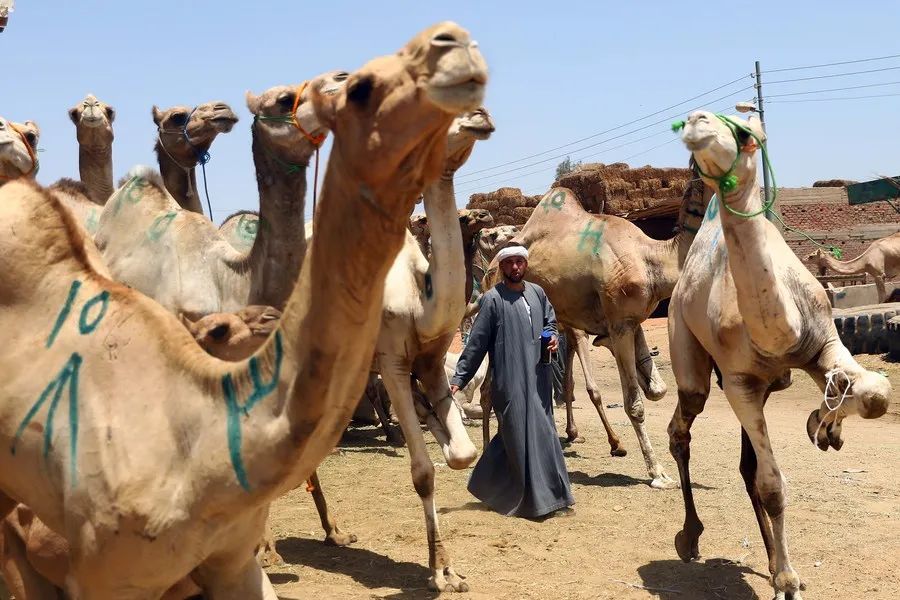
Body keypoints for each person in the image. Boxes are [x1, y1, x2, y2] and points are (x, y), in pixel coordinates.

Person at [450, 244, 574, 519]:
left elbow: (550, 324)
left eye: (519, 262)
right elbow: (477, 343)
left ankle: (551, 497)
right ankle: (534, 503)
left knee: (542, 433)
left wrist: (552, 336)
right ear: (502, 268)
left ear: (525, 266)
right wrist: (459, 378)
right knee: (517, 434)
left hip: (539, 378)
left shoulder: (537, 293)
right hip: (511, 380)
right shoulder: (493, 299)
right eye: (509, 263)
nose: (515, 267)